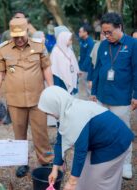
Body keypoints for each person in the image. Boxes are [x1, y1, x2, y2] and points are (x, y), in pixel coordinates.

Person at [38, 86, 134, 190]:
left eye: (49, 112)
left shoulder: (76, 116)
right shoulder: (66, 110)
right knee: (84, 175)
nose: (50, 115)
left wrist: (72, 182)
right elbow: (60, 142)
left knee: (100, 181)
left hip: (115, 143)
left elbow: (80, 151)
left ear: (56, 104)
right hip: (101, 142)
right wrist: (55, 169)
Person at [0, 18, 53, 177]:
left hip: (38, 99)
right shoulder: (3, 49)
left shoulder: (39, 45)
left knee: (41, 132)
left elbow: (46, 68)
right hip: (15, 100)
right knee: (19, 133)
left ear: (27, 31)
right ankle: (22, 162)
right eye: (15, 36)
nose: (19, 40)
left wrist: (52, 89)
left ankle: (45, 160)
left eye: (21, 36)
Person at [90, 12, 137, 179]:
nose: (106, 35)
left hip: (122, 98)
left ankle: (126, 164)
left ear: (120, 27)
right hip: (102, 97)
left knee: (122, 132)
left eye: (109, 32)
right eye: (104, 32)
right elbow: (97, 69)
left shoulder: (133, 44)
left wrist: (136, 95)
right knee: (103, 131)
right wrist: (93, 92)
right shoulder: (103, 45)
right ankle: (107, 163)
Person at [50, 30, 79, 94]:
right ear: (63, 39)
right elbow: (54, 70)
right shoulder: (55, 52)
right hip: (60, 80)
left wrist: (76, 72)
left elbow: (73, 63)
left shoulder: (69, 50)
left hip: (70, 76)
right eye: (69, 40)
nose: (71, 41)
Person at [78, 24, 94, 96]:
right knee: (81, 86)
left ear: (86, 32)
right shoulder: (81, 40)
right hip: (81, 67)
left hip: (87, 69)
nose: (79, 33)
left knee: (88, 88)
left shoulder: (90, 42)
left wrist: (82, 68)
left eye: (80, 31)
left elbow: (88, 57)